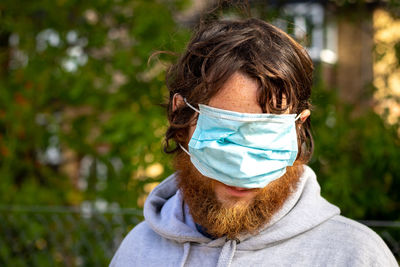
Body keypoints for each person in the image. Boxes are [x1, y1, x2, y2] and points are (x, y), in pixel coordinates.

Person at [110, 18, 397, 266]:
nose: (243, 168)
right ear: (180, 115)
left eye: (265, 137)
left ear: (298, 128)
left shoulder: (356, 258)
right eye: (224, 134)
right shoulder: (137, 252)